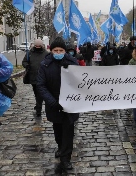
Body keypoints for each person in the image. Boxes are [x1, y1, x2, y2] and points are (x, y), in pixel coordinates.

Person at [37, 37, 79, 174]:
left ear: (65, 51)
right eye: (56, 50)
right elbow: (41, 86)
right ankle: (60, 147)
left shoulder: (73, 62)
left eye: (61, 50)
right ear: (51, 50)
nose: (58, 52)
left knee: (68, 131)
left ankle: (65, 158)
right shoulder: (45, 65)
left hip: (70, 104)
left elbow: (81, 81)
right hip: (54, 104)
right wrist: (52, 102)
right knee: (58, 131)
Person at [22, 39, 48, 117]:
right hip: (32, 76)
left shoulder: (46, 53)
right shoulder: (29, 53)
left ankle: (38, 108)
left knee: (40, 93)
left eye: (39, 46)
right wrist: (27, 65)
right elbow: (24, 61)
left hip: (42, 77)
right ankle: (38, 105)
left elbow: (49, 62)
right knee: (36, 93)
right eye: (36, 46)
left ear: (42, 46)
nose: (37, 47)